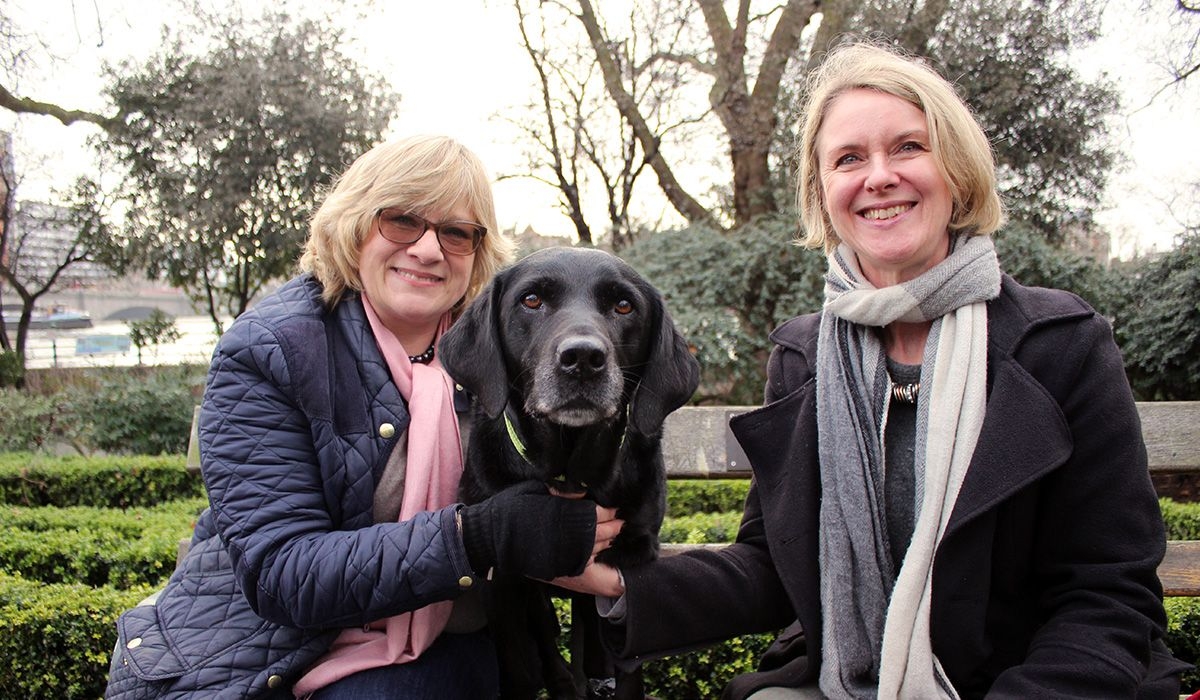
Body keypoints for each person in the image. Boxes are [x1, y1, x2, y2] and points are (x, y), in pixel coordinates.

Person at [556, 41, 1187, 699]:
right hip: (847, 681)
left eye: (909, 147)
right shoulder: (803, 357)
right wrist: (616, 582)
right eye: (849, 158)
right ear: (823, 192)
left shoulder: (1061, 345)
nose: (878, 176)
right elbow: (775, 565)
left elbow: (1105, 590)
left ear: (959, 171)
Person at [104, 134, 621, 700]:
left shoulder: (503, 345)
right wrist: (479, 534)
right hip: (277, 654)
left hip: (460, 642)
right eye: (402, 222)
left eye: (456, 233)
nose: (428, 250)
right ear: (354, 226)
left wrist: (609, 571)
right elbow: (284, 573)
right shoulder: (270, 348)